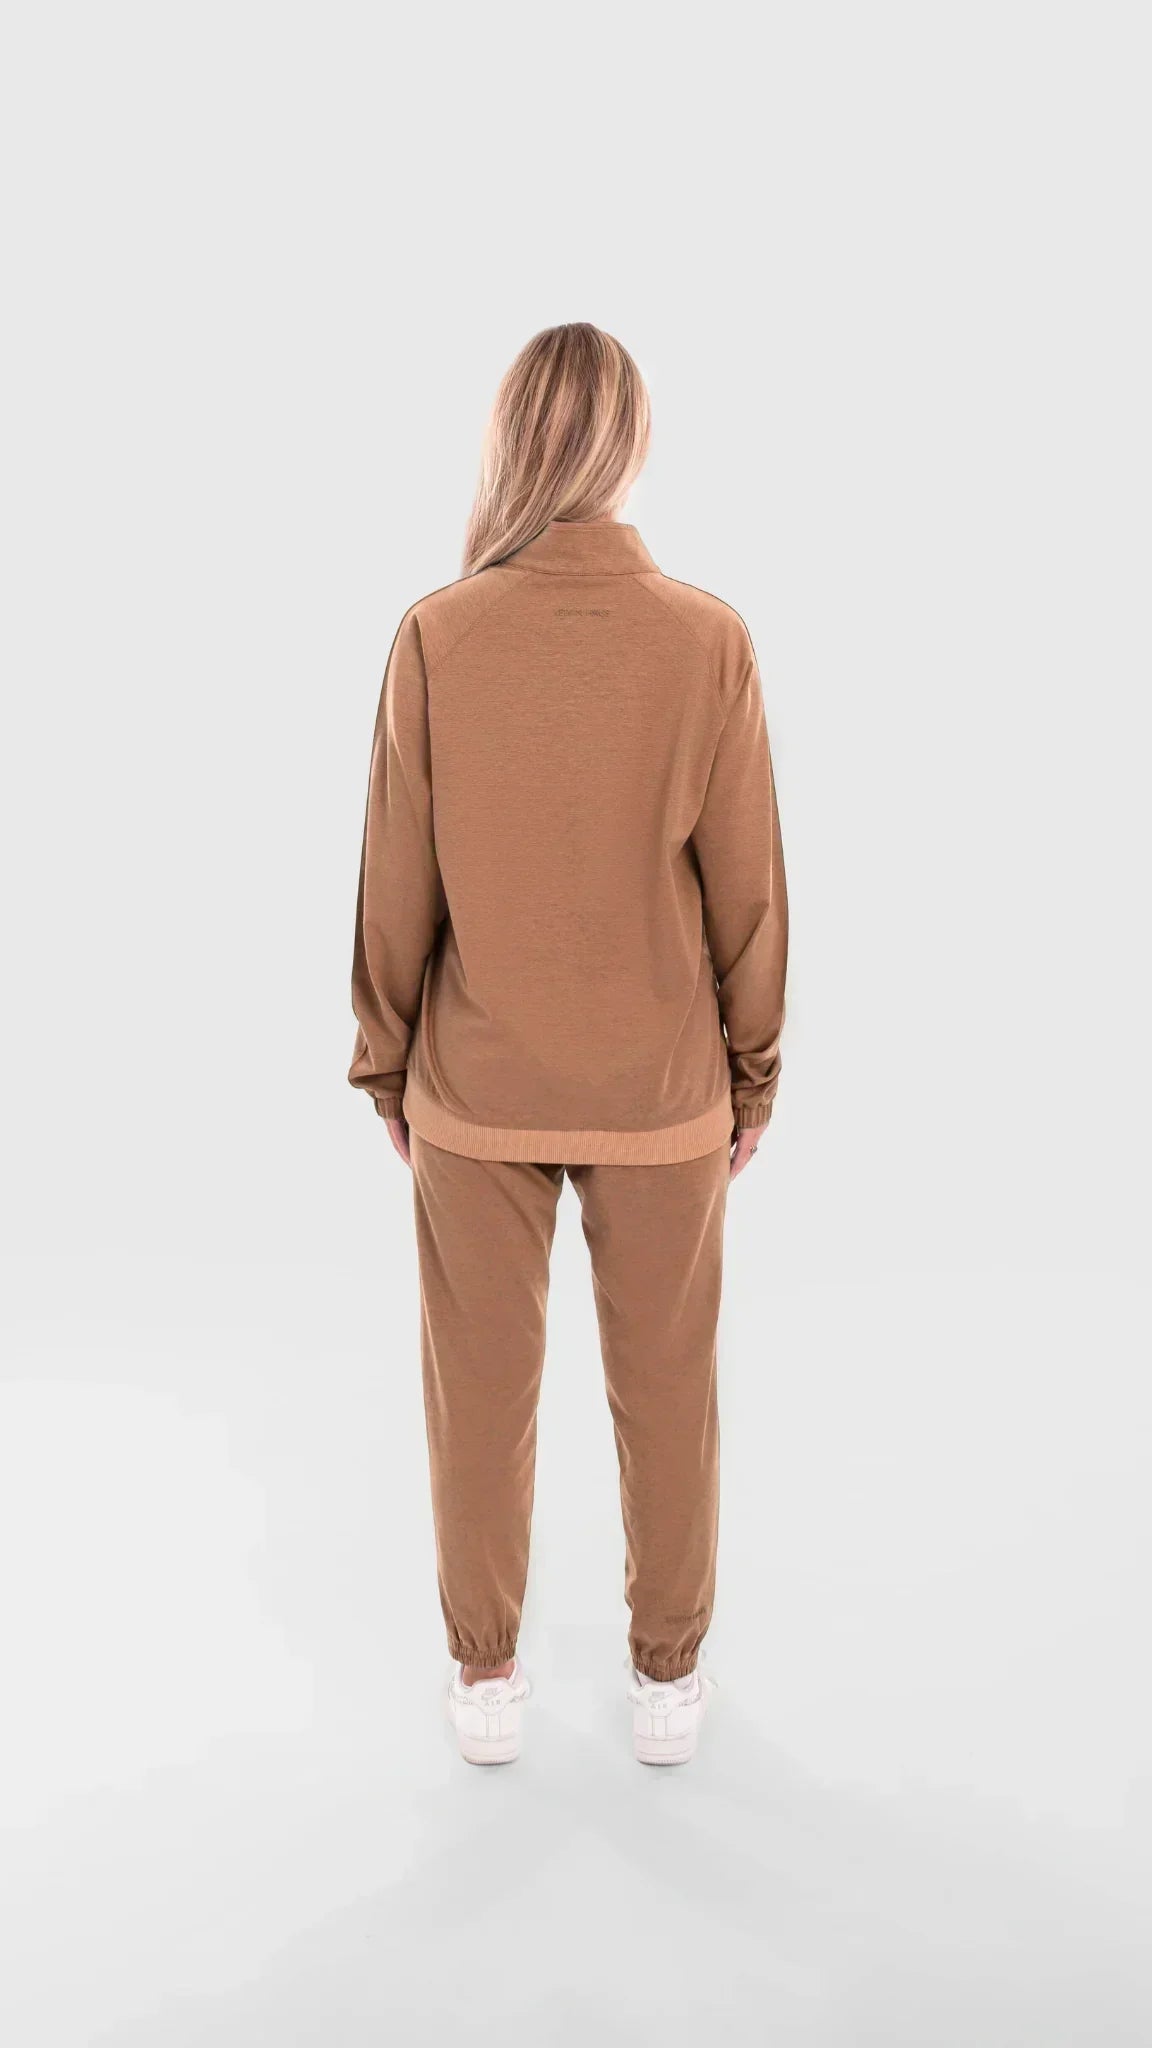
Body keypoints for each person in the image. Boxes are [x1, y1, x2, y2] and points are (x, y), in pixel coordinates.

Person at [349, 323, 787, 1766]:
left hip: (475, 1086)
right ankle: (668, 1683)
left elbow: (395, 874)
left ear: (510, 441)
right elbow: (747, 887)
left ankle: (485, 1680)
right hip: (661, 1089)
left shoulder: (438, 633)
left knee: (478, 1398)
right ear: (632, 444)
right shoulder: (709, 639)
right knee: (670, 1393)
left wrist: (385, 1057)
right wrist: (753, 1072)